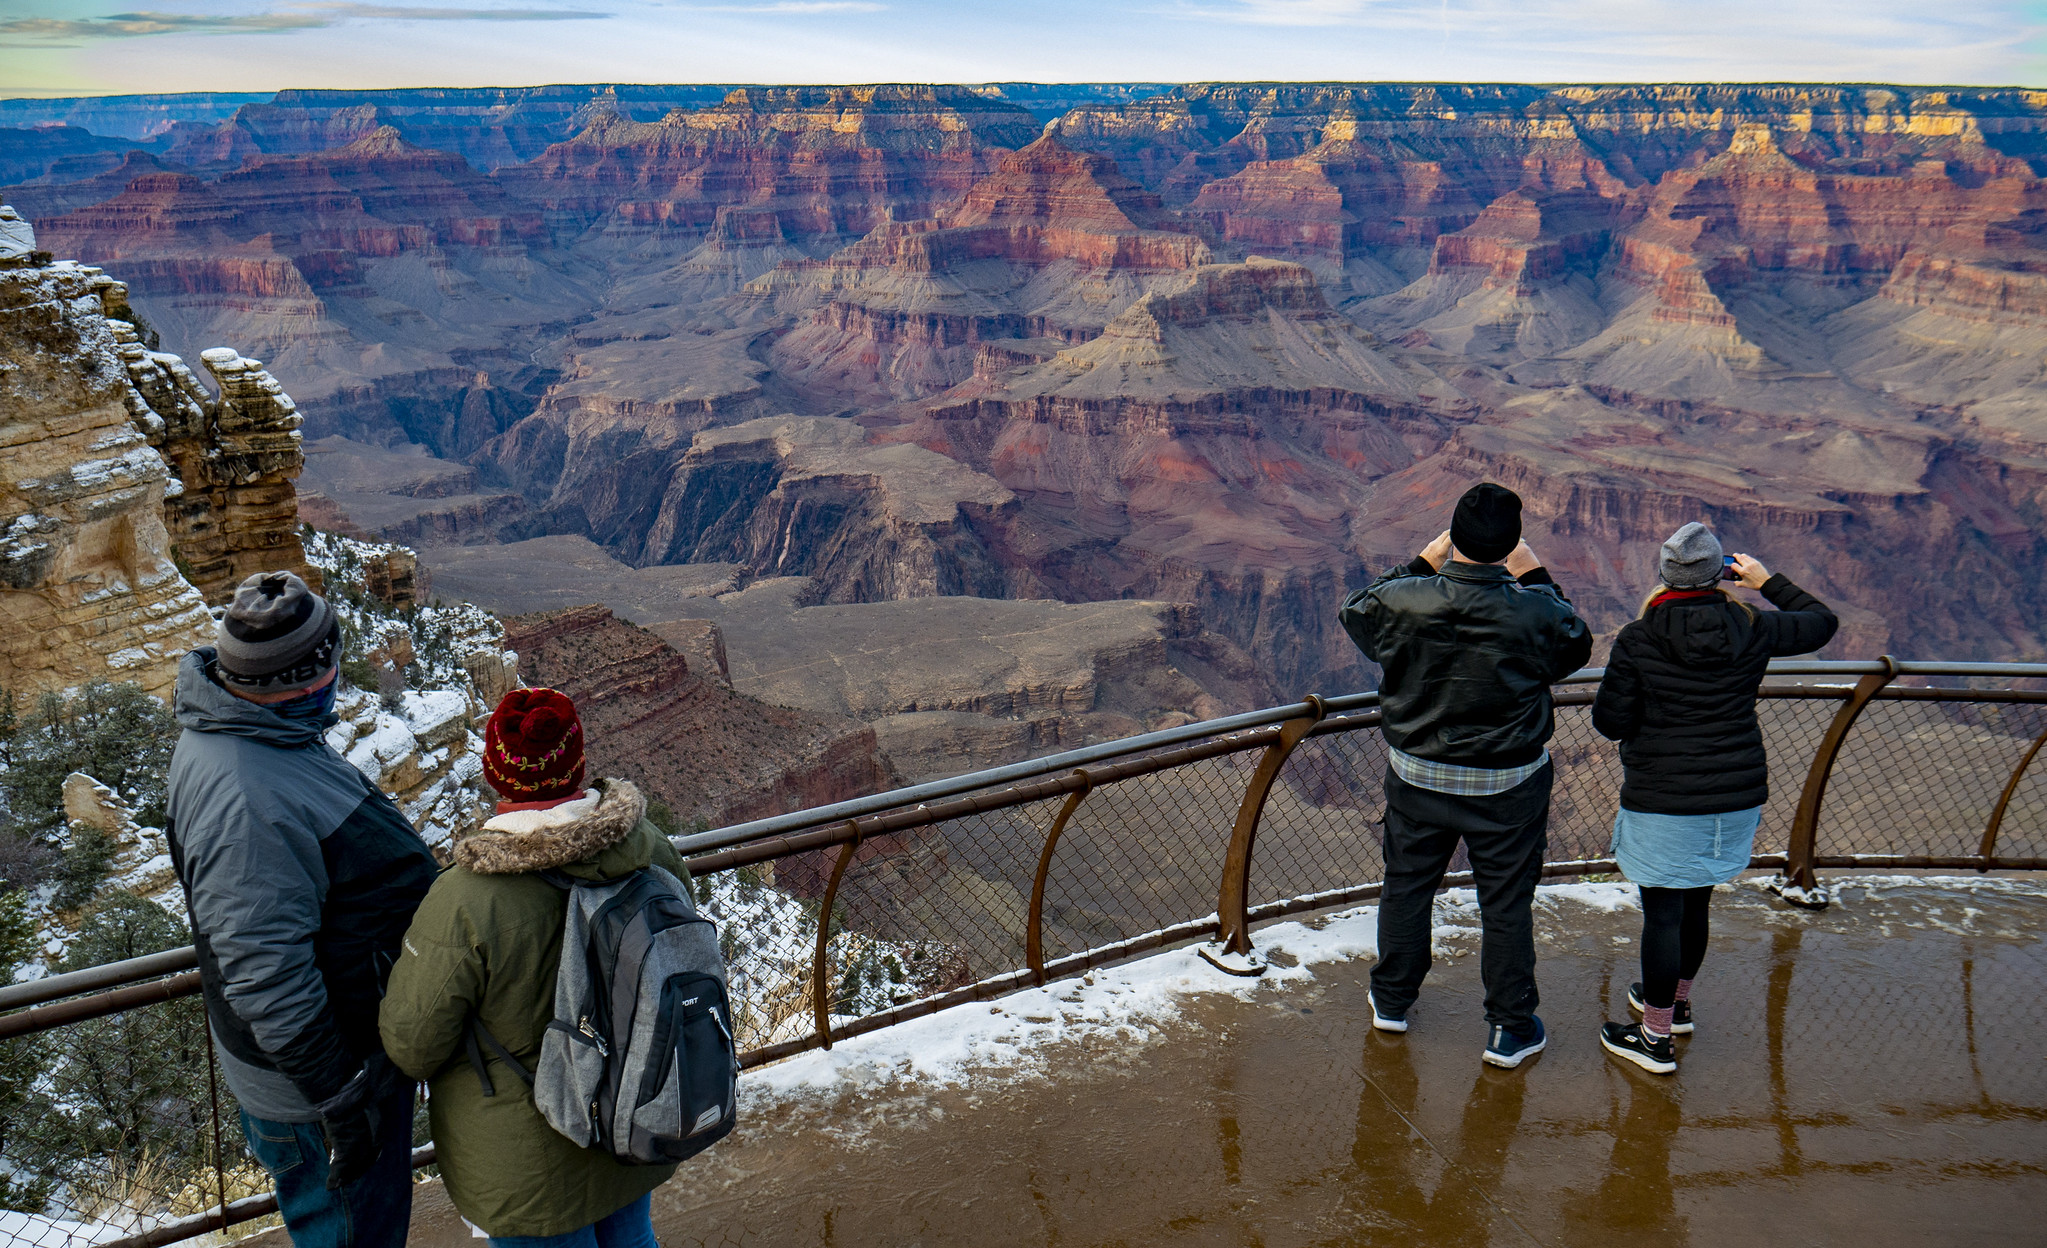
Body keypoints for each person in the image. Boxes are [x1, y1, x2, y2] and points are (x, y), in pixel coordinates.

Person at [167, 572, 438, 1248]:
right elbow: (265, 972)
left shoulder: (254, 730)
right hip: (318, 1093)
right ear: (311, 676)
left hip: (339, 1066)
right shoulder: (244, 798)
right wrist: (341, 1099)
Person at [380, 688, 687, 1247]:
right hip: (633, 1109)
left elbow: (412, 1044)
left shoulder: (465, 899)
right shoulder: (648, 849)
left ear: (496, 775)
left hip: (530, 1154)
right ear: (579, 764)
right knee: (632, 1238)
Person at [1339, 483, 1593, 1068]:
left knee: (1407, 886)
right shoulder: (1536, 611)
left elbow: (1358, 612)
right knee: (1505, 902)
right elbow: (1573, 644)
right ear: (1509, 547)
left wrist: (1421, 561)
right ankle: (1510, 1027)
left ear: (1451, 538)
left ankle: (1392, 1001)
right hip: (1507, 786)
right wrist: (1535, 576)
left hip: (1417, 778)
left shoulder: (1404, 599)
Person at [1591, 522, 1837, 1073]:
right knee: (1696, 900)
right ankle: (1675, 1005)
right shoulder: (1752, 624)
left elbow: (1609, 721)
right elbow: (1822, 623)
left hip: (1663, 796)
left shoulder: (1638, 637)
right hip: (1734, 792)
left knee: (1662, 914)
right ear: (1718, 573)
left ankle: (1654, 1040)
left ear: (1664, 576)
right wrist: (1767, 581)